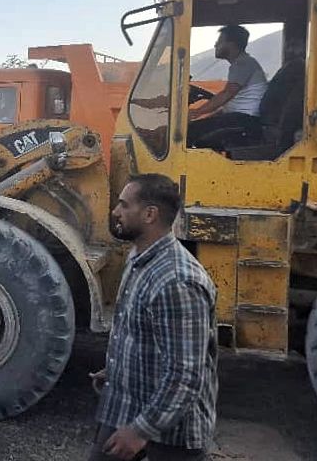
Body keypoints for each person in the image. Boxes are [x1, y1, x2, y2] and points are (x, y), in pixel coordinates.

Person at [88, 174, 218, 461]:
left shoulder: (176, 281)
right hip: (127, 409)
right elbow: (144, 335)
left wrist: (139, 432)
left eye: (124, 205)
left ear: (149, 214)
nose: (115, 212)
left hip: (168, 438)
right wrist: (117, 371)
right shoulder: (140, 258)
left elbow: (185, 376)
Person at [188, 24, 268, 148]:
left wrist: (196, 112)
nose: (215, 45)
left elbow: (227, 94)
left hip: (245, 121)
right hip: (240, 118)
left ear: (231, 44)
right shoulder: (241, 64)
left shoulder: (243, 64)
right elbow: (230, 100)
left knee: (189, 133)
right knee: (196, 128)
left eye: (219, 42)